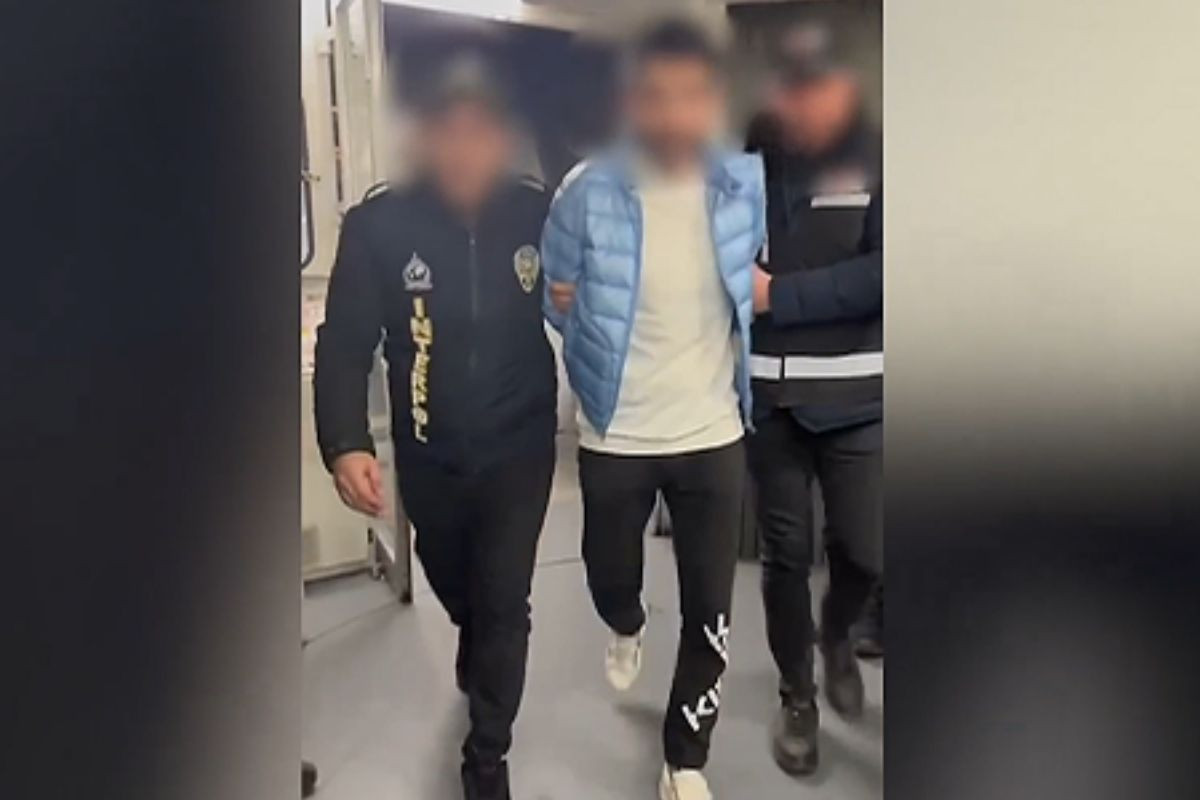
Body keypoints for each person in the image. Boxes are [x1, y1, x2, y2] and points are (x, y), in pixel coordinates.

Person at [313, 55, 557, 800]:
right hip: (429, 449)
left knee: (506, 600)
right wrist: (345, 441)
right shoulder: (379, 224)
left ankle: (487, 756)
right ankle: (472, 633)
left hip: (520, 443)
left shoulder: (538, 213)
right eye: (448, 130)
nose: (465, 148)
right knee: (458, 584)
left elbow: (596, 294)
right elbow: (344, 341)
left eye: (481, 131)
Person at [542, 19, 764, 800]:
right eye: (656, 95)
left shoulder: (741, 187)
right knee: (609, 576)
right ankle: (627, 621)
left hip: (712, 430)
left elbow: (752, 285)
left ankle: (684, 760)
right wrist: (566, 306)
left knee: (711, 609)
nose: (674, 113)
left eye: (691, 95)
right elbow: (551, 296)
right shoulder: (585, 191)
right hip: (618, 432)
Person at [743, 22, 883, 776]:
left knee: (865, 549)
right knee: (785, 557)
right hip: (771, 402)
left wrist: (780, 298)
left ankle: (836, 635)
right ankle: (797, 695)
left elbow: (886, 273)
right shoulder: (744, 170)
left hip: (858, 395)